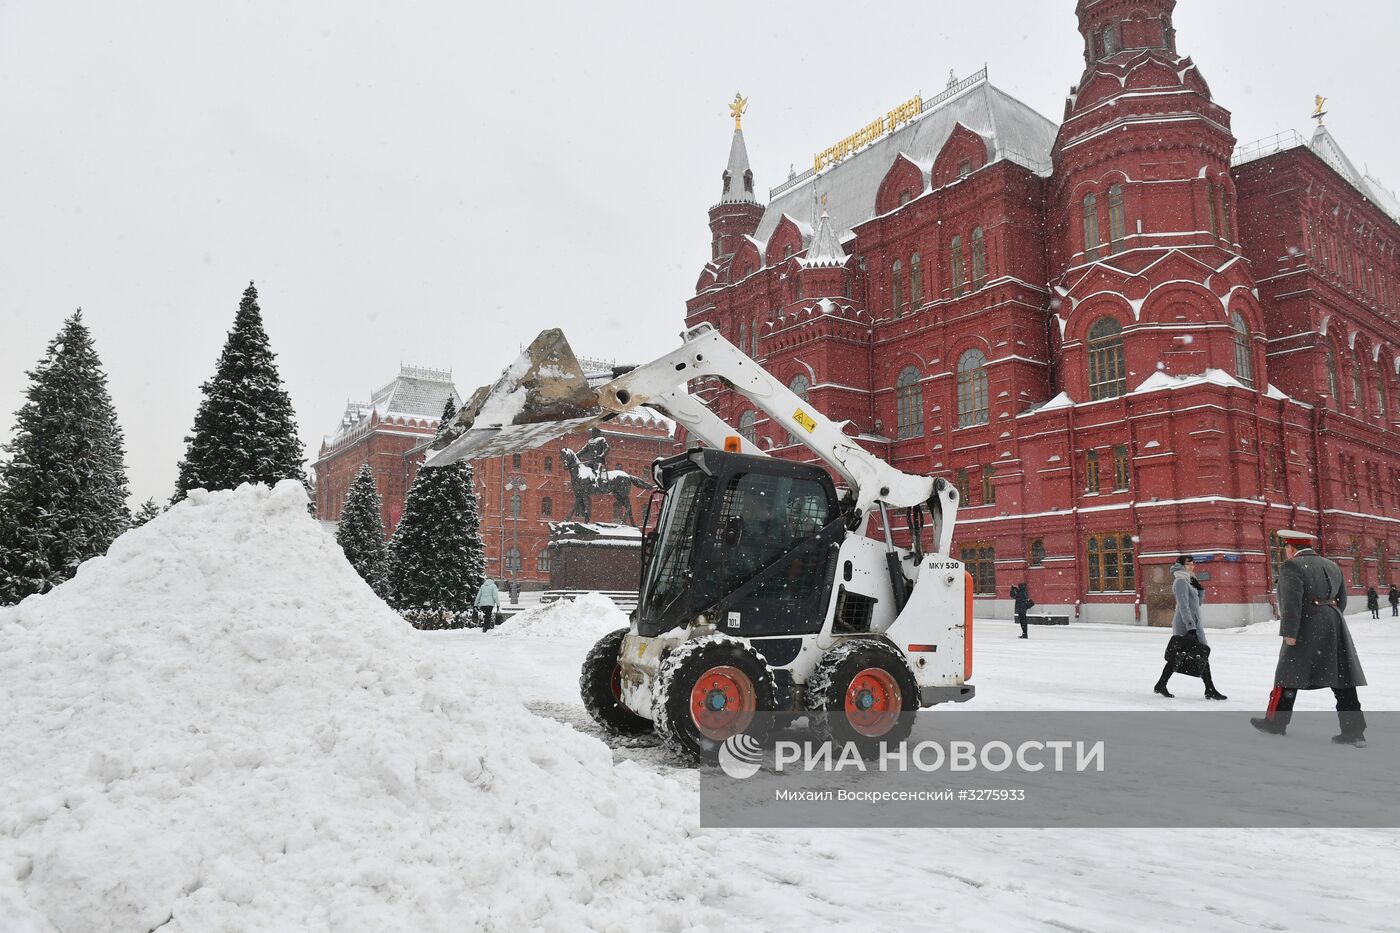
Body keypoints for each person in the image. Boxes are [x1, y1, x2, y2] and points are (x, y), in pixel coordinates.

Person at [1250, 530, 1367, 746]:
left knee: (1287, 674)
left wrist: (1289, 632)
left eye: (1286, 548)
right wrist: (1330, 618)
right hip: (1334, 624)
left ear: (1290, 548)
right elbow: (1342, 600)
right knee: (1342, 678)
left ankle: (1275, 723)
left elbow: (1291, 604)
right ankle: (1354, 732)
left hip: (1305, 626)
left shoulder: (1291, 566)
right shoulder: (1331, 565)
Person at [1154, 555, 1227, 700]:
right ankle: (1210, 689)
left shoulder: (1189, 580)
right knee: (1189, 653)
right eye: (1188, 564)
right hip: (1185, 623)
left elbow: (1197, 604)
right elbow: (1183, 606)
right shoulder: (1180, 581)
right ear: (1180, 565)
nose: (1192, 566)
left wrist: (1200, 589)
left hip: (1193, 622)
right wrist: (1190, 627)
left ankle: (1161, 684)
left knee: (1188, 654)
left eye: (1193, 563)